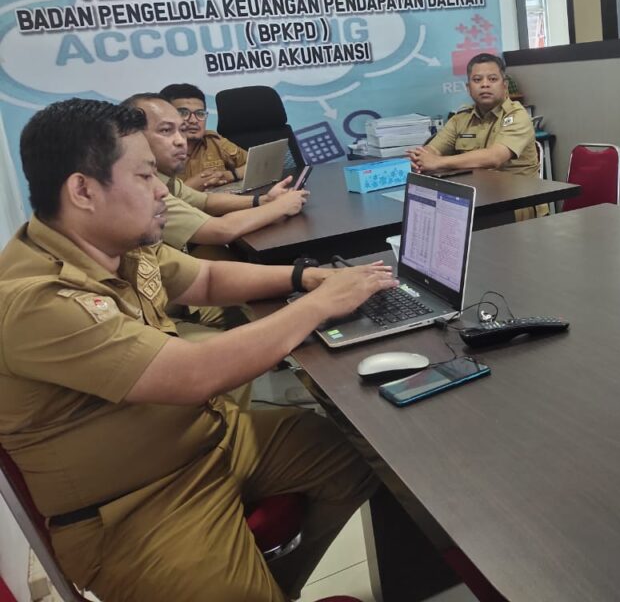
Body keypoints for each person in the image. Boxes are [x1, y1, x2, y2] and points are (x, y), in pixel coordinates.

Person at [0, 98, 397, 602]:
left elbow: (205, 278)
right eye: (145, 176)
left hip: (212, 440)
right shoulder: (37, 300)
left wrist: (306, 277)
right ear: (83, 190)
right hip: (139, 505)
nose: (161, 190)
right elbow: (192, 374)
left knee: (355, 457)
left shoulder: (119, 244)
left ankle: (277, 588)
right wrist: (320, 304)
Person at [124, 94, 306, 253]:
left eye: (181, 130)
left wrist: (264, 200)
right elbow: (221, 230)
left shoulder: (162, 176)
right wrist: (281, 206)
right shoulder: (143, 190)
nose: (181, 141)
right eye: (166, 130)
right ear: (133, 137)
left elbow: (205, 201)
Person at [407, 52, 545, 219]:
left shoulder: (517, 115)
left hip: (516, 204)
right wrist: (422, 159)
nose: (485, 85)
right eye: (477, 80)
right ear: (468, 87)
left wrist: (438, 162)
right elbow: (433, 149)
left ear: (504, 85)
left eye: (492, 79)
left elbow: (495, 157)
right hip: (473, 201)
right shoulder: (460, 118)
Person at [160, 83, 247, 191]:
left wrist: (231, 175)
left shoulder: (214, 141)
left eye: (200, 113)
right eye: (183, 113)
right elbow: (154, 198)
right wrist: (190, 187)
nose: (193, 120)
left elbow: (255, 165)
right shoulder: (156, 152)